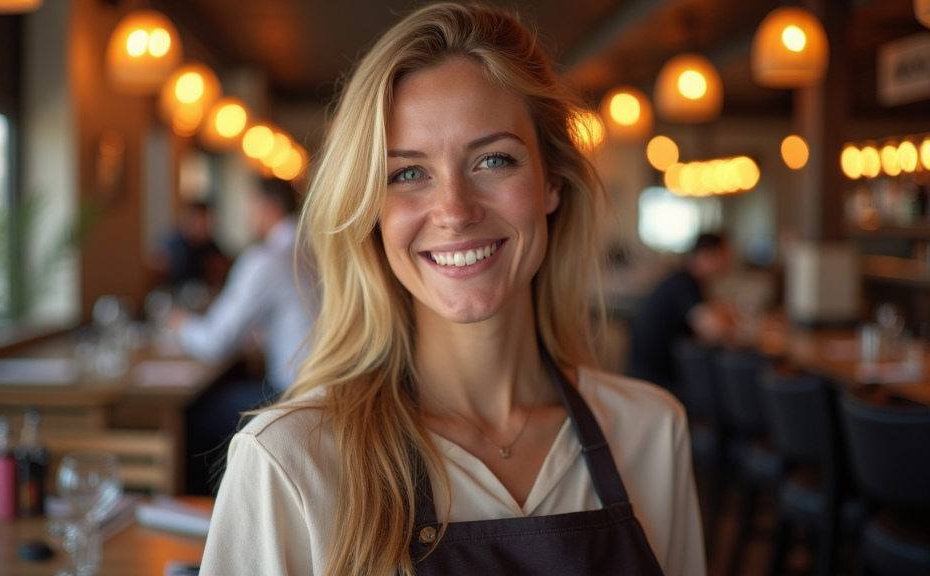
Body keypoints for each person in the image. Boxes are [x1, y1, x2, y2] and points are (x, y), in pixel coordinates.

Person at [201, 4, 705, 575]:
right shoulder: (288, 462)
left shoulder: (652, 430)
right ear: (371, 213)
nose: (455, 212)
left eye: (494, 160)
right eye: (408, 173)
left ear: (552, 185)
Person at [171, 178, 316, 493]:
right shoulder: (313, 246)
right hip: (330, 390)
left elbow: (213, 343)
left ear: (269, 207)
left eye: (250, 206)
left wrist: (181, 323)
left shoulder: (266, 259)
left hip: (294, 395)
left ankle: (207, 508)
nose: (248, 215)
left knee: (190, 416)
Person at [627, 232, 732, 398]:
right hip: (654, 380)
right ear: (708, 255)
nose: (728, 263)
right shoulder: (683, 283)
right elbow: (712, 330)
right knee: (722, 389)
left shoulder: (684, 280)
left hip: (653, 373)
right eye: (725, 255)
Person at [155, 201, 231, 291]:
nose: (205, 225)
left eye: (207, 221)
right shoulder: (172, 244)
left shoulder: (210, 246)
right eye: (201, 220)